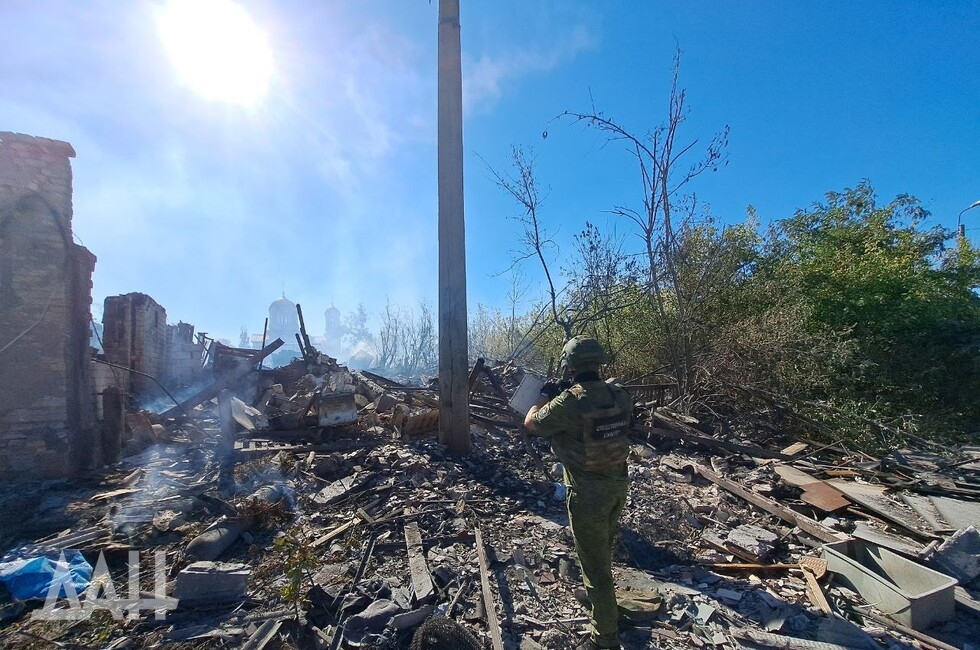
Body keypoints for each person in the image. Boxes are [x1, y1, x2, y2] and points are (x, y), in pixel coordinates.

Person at [524, 335, 633, 650]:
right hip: (617, 485)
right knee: (601, 552)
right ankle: (606, 606)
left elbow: (532, 423)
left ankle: (605, 637)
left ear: (569, 366)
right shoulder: (619, 395)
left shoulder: (569, 402)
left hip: (588, 493)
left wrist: (543, 398)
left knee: (594, 566)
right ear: (599, 362)